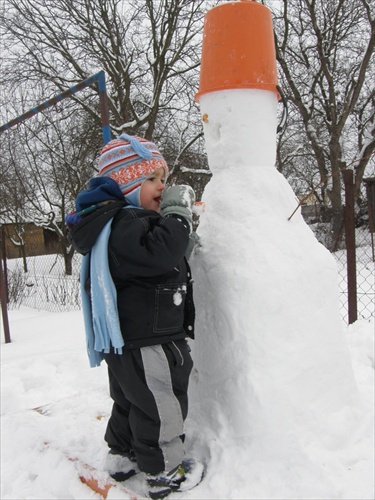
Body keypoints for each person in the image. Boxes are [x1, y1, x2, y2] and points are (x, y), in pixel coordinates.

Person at [66, 133, 203, 499]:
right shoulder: (126, 223)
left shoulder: (118, 224)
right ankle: (164, 472)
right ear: (127, 183)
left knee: (132, 400)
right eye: (152, 179)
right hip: (149, 339)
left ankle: (123, 457)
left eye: (163, 178)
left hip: (132, 336)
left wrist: (179, 234)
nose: (162, 185)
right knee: (161, 402)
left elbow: (159, 256)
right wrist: (178, 216)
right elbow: (159, 254)